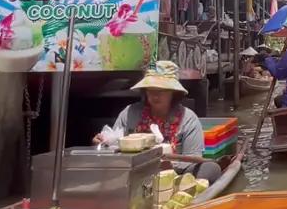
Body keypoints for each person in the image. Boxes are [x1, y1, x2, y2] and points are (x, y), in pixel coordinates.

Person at [92, 61, 221, 184]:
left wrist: (169, 165)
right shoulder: (130, 113)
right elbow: (113, 150)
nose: (155, 95)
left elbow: (193, 158)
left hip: (176, 174)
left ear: (173, 92)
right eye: (151, 90)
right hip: (135, 172)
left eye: (162, 90)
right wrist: (102, 144)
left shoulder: (188, 119)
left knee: (210, 168)